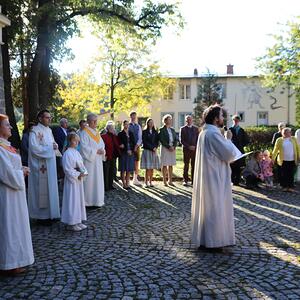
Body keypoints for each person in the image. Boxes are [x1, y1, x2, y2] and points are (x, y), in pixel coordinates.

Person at [191, 105, 237, 251]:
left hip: (208, 175)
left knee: (208, 208)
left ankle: (205, 240)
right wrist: (228, 139)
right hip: (214, 177)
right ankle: (214, 242)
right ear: (216, 119)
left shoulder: (204, 132)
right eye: (222, 116)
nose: (223, 119)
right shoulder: (213, 134)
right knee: (215, 207)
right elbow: (229, 154)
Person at [0, 114, 34, 275]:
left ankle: (17, 260)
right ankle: (10, 262)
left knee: (16, 225)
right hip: (7, 195)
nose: (11, 127)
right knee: (10, 226)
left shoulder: (6, 145)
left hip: (15, 194)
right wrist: (21, 172)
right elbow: (6, 173)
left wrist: (21, 170)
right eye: (7, 125)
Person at [28, 110, 60, 225]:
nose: (49, 119)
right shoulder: (34, 131)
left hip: (50, 165)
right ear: (40, 118)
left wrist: (55, 146)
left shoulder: (49, 130)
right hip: (40, 166)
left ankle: (52, 214)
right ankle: (41, 217)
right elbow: (34, 149)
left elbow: (52, 144)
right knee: (41, 190)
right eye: (47, 117)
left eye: (50, 117)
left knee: (51, 188)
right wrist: (50, 149)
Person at [61, 133, 87, 231]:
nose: (77, 142)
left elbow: (81, 165)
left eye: (77, 140)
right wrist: (77, 174)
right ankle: (71, 223)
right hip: (72, 181)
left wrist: (84, 172)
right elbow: (67, 169)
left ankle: (78, 220)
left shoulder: (76, 152)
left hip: (78, 180)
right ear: (69, 141)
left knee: (79, 200)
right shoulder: (67, 153)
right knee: (72, 201)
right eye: (75, 140)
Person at [79, 113, 105, 207]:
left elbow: (102, 144)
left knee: (98, 181)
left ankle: (97, 201)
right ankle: (88, 202)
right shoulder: (84, 132)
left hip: (97, 161)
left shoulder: (96, 132)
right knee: (90, 181)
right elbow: (83, 147)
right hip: (89, 161)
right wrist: (95, 151)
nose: (96, 123)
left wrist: (103, 150)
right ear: (89, 121)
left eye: (96, 121)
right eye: (94, 121)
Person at [272, 127, 300, 192]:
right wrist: (273, 158)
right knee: (284, 174)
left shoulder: (294, 139)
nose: (289, 133)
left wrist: (299, 156)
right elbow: (275, 150)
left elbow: (297, 148)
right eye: (286, 132)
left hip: (292, 159)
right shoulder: (279, 140)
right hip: (283, 160)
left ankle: (290, 187)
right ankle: (284, 186)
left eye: (289, 132)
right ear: (283, 133)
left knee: (291, 173)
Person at [229, 115, 249, 185]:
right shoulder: (229, 129)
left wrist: (240, 145)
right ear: (233, 120)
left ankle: (237, 181)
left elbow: (246, 140)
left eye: (237, 120)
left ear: (239, 121)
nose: (236, 121)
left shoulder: (241, 130)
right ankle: (231, 180)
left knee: (238, 166)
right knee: (232, 165)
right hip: (231, 150)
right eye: (234, 120)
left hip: (239, 150)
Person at [159, 114, 178, 186]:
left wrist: (174, 146)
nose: (170, 121)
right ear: (165, 120)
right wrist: (168, 147)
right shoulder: (162, 129)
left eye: (171, 120)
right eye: (169, 119)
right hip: (165, 148)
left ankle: (170, 180)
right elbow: (162, 140)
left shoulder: (172, 130)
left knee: (170, 164)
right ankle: (164, 181)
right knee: (164, 164)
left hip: (172, 149)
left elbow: (176, 139)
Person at [179, 115, 199, 186]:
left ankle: (194, 180)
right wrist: (188, 146)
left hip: (194, 150)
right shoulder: (183, 129)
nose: (189, 121)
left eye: (190, 119)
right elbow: (181, 140)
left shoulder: (196, 129)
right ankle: (185, 180)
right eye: (187, 120)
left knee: (194, 165)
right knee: (186, 165)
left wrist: (195, 146)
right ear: (185, 121)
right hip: (186, 150)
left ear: (192, 120)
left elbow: (198, 139)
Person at [140, 118, 160, 187]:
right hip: (147, 150)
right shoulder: (144, 132)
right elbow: (145, 142)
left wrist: (155, 147)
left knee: (152, 168)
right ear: (147, 123)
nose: (151, 124)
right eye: (150, 122)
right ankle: (145, 182)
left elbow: (157, 141)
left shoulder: (155, 132)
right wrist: (152, 148)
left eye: (152, 122)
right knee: (148, 168)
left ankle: (151, 182)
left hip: (154, 151)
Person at [101, 121, 120, 191]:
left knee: (112, 171)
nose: (113, 129)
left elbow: (117, 145)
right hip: (106, 156)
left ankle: (110, 185)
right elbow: (102, 147)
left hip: (113, 156)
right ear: (108, 129)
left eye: (113, 128)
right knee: (106, 172)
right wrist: (104, 155)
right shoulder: (103, 136)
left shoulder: (114, 136)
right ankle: (105, 186)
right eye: (112, 128)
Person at [118, 120, 135, 190]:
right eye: (125, 124)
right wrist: (125, 149)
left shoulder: (131, 133)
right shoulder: (120, 134)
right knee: (123, 169)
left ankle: (128, 183)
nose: (127, 126)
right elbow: (120, 143)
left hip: (130, 153)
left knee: (128, 169)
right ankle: (124, 184)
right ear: (123, 125)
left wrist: (131, 150)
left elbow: (134, 142)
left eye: (128, 124)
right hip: (123, 153)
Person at [128, 111, 142, 186]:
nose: (134, 117)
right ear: (130, 117)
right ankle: (128, 179)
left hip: (137, 147)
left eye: (135, 116)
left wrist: (137, 145)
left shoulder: (138, 126)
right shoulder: (127, 125)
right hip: (129, 147)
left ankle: (135, 179)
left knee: (136, 162)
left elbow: (140, 137)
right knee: (129, 162)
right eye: (132, 116)